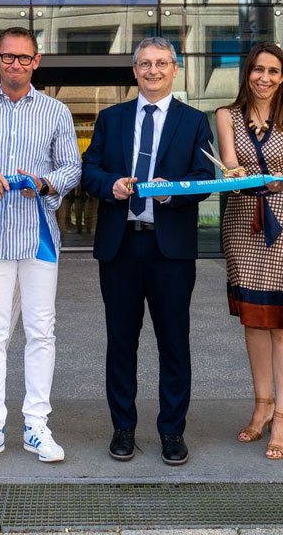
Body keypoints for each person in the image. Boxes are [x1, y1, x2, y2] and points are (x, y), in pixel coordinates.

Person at [0, 27, 81, 466]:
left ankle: (36, 425)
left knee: (42, 331)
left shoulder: (56, 111)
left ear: (36, 61)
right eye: (9, 57)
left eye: (24, 58)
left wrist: (45, 184)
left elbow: (71, 168)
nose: (16, 65)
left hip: (40, 236)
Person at [82, 37, 214, 466]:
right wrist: (113, 186)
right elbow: (90, 172)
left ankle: (172, 431)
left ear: (175, 68)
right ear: (134, 70)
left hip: (170, 249)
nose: (153, 70)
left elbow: (203, 178)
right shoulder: (111, 118)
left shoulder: (195, 121)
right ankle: (123, 428)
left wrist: (170, 194)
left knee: (174, 343)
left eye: (161, 63)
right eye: (145, 63)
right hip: (120, 246)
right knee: (121, 342)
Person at [216, 42, 283, 460]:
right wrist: (241, 175)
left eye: (274, 71)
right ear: (247, 73)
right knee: (255, 322)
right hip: (242, 223)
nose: (265, 78)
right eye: (258, 70)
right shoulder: (226, 116)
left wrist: (263, 180)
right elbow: (229, 167)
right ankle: (261, 405)